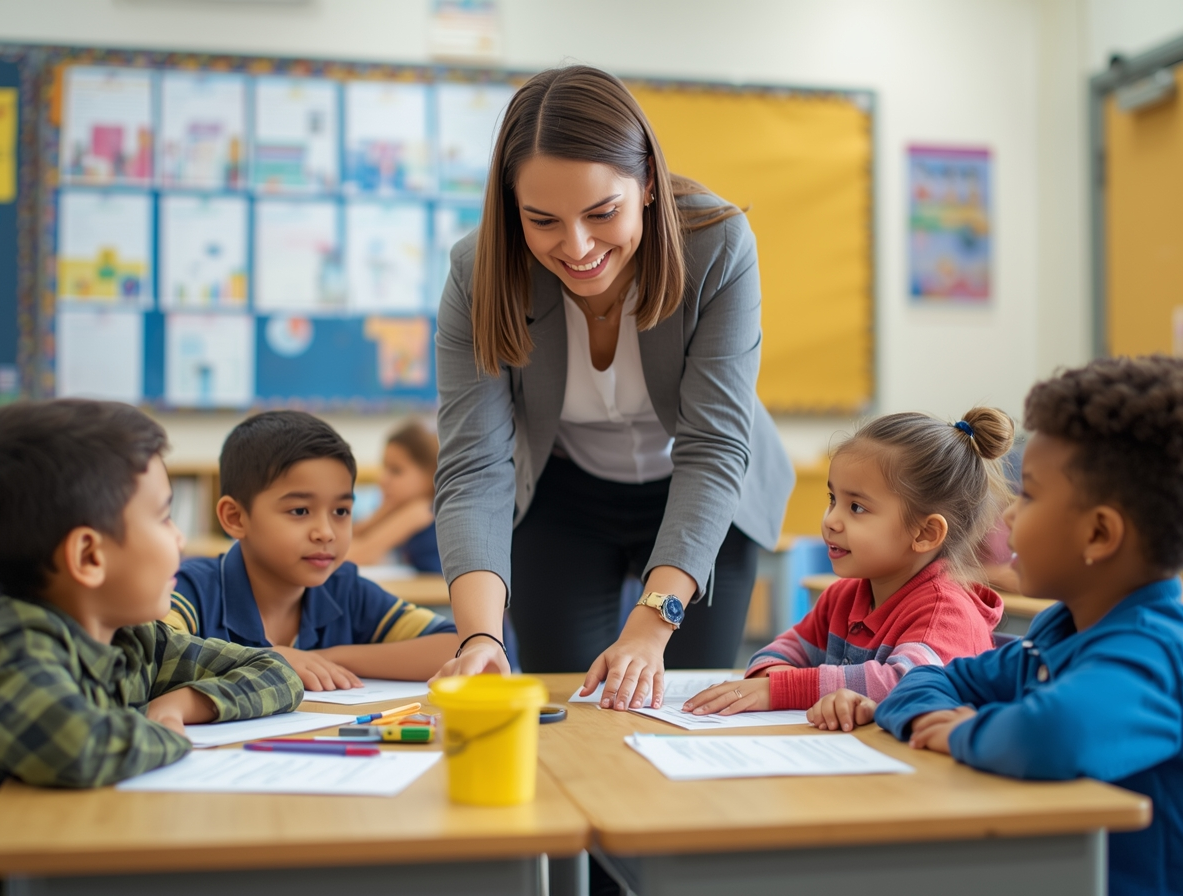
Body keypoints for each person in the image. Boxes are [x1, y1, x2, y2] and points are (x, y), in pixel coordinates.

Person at [431, 65, 793, 709]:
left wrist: (651, 629)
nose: (577, 247)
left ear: (648, 183)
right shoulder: (478, 270)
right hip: (565, 494)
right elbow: (474, 466)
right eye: (541, 220)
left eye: (603, 213)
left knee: (681, 708)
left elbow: (713, 450)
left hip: (705, 494)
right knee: (569, 707)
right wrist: (478, 636)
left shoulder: (717, 244)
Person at [0, 399, 304, 896]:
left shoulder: (134, 634)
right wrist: (166, 735)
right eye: (164, 518)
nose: (181, 538)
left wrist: (183, 705)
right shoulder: (6, 638)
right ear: (89, 556)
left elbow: (275, 670)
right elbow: (74, 747)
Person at [875, 355, 1183, 896]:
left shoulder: (1155, 655)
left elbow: (1050, 736)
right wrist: (933, 715)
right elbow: (926, 680)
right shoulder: (1058, 632)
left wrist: (961, 733)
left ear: (1099, 534)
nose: (1006, 516)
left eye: (1029, 493)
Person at [682, 408, 1009, 727]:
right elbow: (781, 650)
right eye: (832, 500)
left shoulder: (946, 613)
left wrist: (783, 689)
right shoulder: (843, 597)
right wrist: (772, 676)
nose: (830, 520)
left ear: (925, 533)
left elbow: (904, 684)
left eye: (857, 507)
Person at [166, 411, 458, 688]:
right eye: (300, 510)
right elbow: (153, 649)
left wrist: (325, 659)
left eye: (341, 511)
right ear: (236, 517)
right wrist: (270, 660)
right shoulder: (194, 590)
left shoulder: (345, 591)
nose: (326, 533)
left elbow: (457, 646)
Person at [348, 418, 441, 572]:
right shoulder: (401, 507)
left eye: (396, 470)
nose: (383, 480)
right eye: (384, 468)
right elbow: (351, 537)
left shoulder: (422, 510)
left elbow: (360, 555)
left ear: (430, 475)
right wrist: (381, 514)